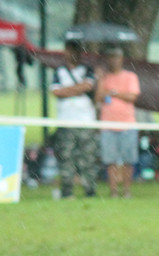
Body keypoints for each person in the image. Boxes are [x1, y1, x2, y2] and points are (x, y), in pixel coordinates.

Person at [51, 40, 99, 199]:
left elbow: (88, 86)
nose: (69, 54)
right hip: (66, 122)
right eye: (67, 51)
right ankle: (67, 192)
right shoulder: (59, 72)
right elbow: (56, 92)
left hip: (86, 121)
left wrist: (68, 91)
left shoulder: (87, 69)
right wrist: (77, 90)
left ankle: (90, 191)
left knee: (88, 158)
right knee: (66, 158)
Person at [95, 46, 140, 198]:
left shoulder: (130, 76)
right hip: (107, 124)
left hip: (127, 123)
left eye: (116, 57)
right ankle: (113, 190)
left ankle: (127, 190)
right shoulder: (104, 78)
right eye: (111, 57)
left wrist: (114, 93)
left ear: (121, 59)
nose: (113, 61)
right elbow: (98, 98)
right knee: (110, 160)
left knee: (128, 160)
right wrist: (100, 80)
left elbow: (132, 97)